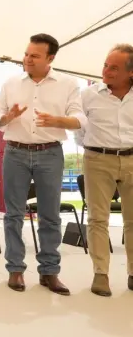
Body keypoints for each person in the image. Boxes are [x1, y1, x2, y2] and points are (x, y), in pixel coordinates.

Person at [0, 33, 86, 295]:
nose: (27, 59)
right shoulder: (11, 83)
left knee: (50, 216)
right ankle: (15, 270)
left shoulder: (68, 84)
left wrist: (58, 121)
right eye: (26, 53)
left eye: (34, 56)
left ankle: (49, 272)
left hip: (50, 153)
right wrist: (8, 116)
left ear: (50, 58)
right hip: (15, 153)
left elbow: (79, 118)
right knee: (13, 214)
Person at [74, 44, 133, 297]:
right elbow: (78, 130)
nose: (106, 71)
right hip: (98, 159)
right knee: (98, 219)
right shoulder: (88, 95)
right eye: (106, 65)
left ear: (130, 72)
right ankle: (101, 273)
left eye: (114, 68)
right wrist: (93, 149)